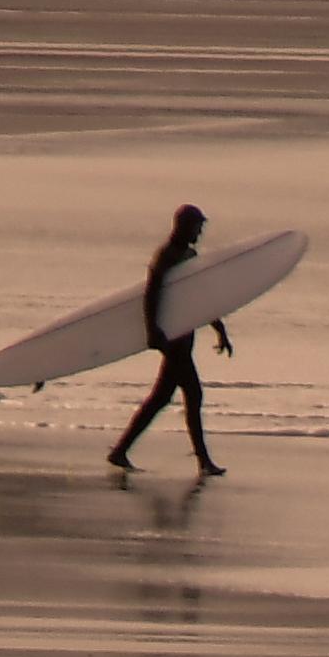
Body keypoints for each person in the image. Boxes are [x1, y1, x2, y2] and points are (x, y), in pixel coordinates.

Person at [107, 204, 229, 476]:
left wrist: (219, 327)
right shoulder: (166, 256)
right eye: (197, 227)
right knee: (193, 394)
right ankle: (203, 461)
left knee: (161, 398)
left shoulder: (189, 255)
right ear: (183, 226)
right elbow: (151, 295)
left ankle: (120, 451)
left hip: (185, 335)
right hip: (172, 337)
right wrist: (152, 331)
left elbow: (197, 296)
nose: (200, 232)